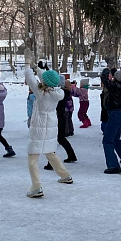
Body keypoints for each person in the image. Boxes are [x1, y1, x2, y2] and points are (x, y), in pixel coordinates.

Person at [24, 49, 73, 198]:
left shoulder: (41, 93)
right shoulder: (56, 91)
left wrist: (27, 65)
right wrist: (37, 68)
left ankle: (36, 187)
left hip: (40, 125)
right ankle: (65, 176)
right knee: (50, 152)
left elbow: (31, 80)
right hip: (51, 124)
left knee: (33, 157)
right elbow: (46, 78)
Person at [101, 67, 121, 174]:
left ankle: (113, 165)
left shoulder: (114, 86)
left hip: (114, 114)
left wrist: (107, 69)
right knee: (115, 139)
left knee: (107, 140)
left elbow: (103, 78)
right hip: (119, 114)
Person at [44, 78, 77, 168]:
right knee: (61, 139)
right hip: (61, 117)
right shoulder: (64, 92)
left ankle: (51, 163)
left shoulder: (59, 93)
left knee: (53, 139)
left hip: (56, 117)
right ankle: (71, 156)